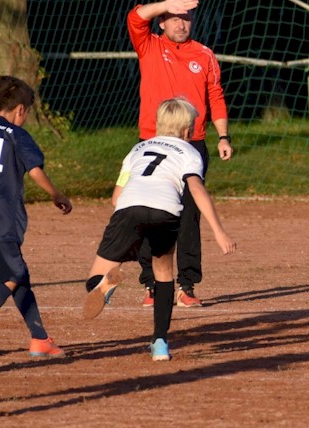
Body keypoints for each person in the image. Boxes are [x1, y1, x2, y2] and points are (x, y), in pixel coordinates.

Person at [82, 97, 237, 362]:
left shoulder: (137, 149)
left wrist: (129, 231)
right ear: (188, 130)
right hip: (166, 210)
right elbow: (196, 189)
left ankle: (105, 282)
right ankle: (160, 343)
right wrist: (219, 231)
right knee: (164, 272)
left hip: (129, 207)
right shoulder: (190, 152)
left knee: (92, 282)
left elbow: (116, 197)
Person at [0, 75, 72, 358]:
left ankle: (40, 338)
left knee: (16, 274)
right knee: (14, 272)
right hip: (0, 212)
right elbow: (34, 170)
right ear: (20, 109)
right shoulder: (15, 134)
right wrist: (57, 195)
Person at [128, 0, 232, 308]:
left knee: (189, 216)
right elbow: (135, 18)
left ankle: (187, 285)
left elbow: (216, 95)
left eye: (185, 18)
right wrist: (166, 3)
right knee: (150, 214)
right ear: (161, 22)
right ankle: (151, 284)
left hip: (192, 144)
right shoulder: (149, 45)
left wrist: (223, 136)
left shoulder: (204, 55)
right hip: (153, 143)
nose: (180, 23)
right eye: (173, 18)